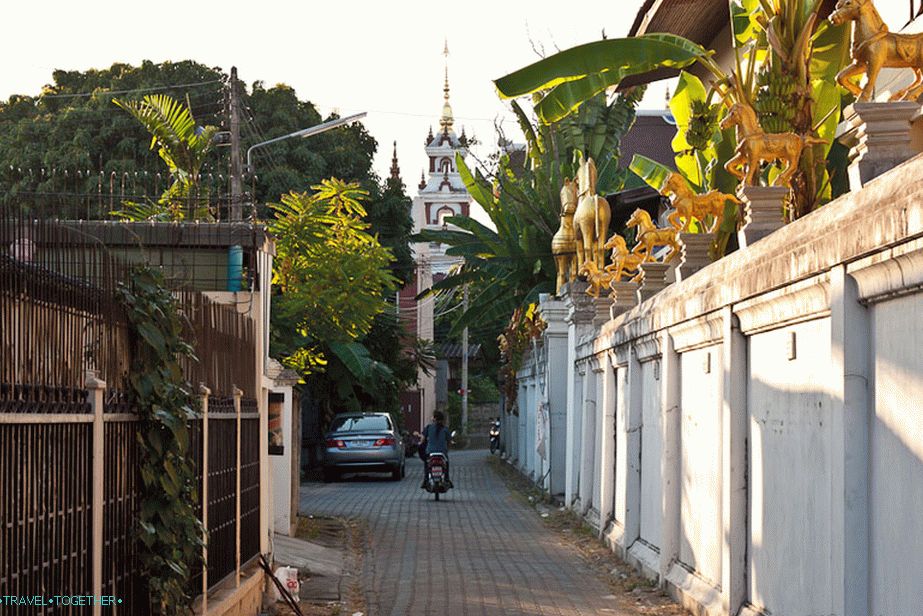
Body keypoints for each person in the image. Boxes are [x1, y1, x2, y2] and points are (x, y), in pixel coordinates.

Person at [420, 410, 452, 488]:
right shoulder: (445, 429)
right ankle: (447, 479)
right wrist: (446, 449)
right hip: (442, 452)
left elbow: (422, 440)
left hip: (430, 452)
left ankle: (426, 479)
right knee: (446, 463)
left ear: (434, 418)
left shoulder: (428, 427)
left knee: (427, 464)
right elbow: (449, 441)